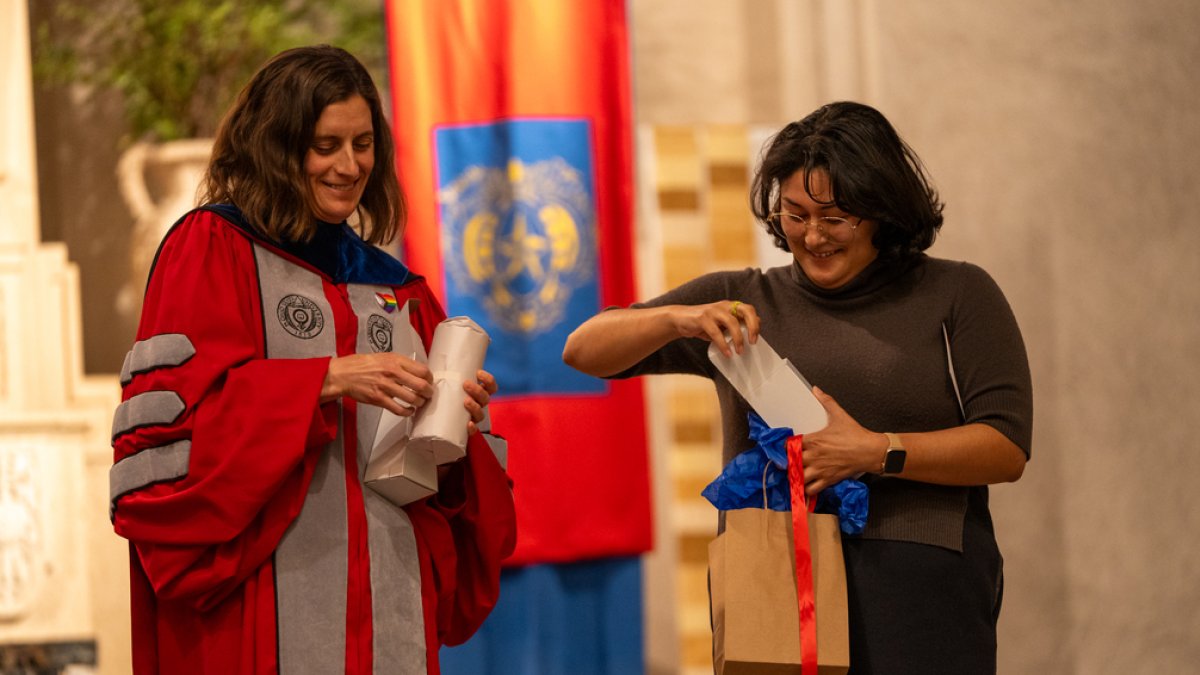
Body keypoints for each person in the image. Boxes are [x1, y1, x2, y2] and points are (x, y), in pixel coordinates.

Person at [563, 101, 1032, 674]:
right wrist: (678, 318)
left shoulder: (958, 292)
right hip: (772, 578)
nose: (813, 235)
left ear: (883, 209)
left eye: (835, 218)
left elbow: (1005, 447)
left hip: (920, 583)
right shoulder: (743, 300)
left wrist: (874, 451)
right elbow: (583, 349)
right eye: (794, 214)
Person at [108, 45, 516, 675]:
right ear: (278, 145)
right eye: (325, 145)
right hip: (258, 607)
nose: (349, 166)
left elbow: (452, 499)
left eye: (362, 143)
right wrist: (325, 378)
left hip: (390, 600)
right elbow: (172, 438)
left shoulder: (399, 291)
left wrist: (457, 420)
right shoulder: (213, 249)